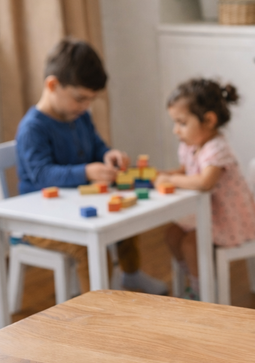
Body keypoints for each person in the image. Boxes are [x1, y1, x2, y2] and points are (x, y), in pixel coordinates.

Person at [16, 38, 168, 295]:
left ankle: (131, 275)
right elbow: (42, 174)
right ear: (52, 85)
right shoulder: (33, 128)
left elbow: (97, 147)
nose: (85, 106)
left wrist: (109, 155)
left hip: (77, 207)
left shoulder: (80, 116)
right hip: (41, 221)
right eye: (80, 98)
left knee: (124, 216)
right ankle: (98, 304)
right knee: (87, 248)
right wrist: (86, 172)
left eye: (90, 100)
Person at [157, 78, 255, 300]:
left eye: (182, 123)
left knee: (190, 243)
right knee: (171, 234)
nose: (176, 130)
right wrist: (165, 174)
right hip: (208, 213)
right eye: (175, 123)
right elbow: (185, 170)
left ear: (208, 120)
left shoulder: (217, 149)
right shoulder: (192, 146)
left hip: (229, 218)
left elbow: (204, 182)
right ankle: (196, 275)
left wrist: (171, 181)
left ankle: (201, 290)